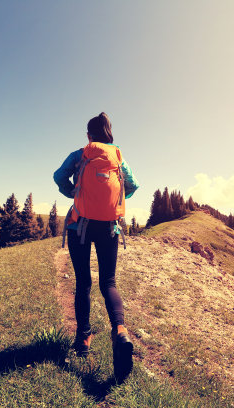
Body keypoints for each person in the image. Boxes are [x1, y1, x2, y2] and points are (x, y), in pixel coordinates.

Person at [53, 112, 139, 382]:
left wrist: (74, 193)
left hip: (80, 225)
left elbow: (58, 176)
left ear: (89, 135)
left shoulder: (81, 154)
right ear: (109, 134)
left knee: (83, 283)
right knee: (109, 283)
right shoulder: (118, 157)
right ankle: (120, 330)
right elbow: (134, 185)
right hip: (109, 227)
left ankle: (83, 338)